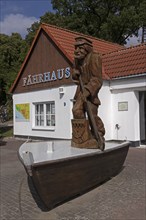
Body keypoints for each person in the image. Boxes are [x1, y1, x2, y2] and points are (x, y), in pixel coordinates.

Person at [72, 36, 105, 149]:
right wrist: (75, 74)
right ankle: (83, 137)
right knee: (76, 111)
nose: (77, 51)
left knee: (92, 116)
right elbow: (76, 78)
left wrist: (87, 91)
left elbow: (97, 80)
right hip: (80, 91)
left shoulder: (95, 57)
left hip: (91, 93)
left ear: (87, 48)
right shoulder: (77, 59)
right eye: (76, 48)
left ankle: (98, 135)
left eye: (80, 48)